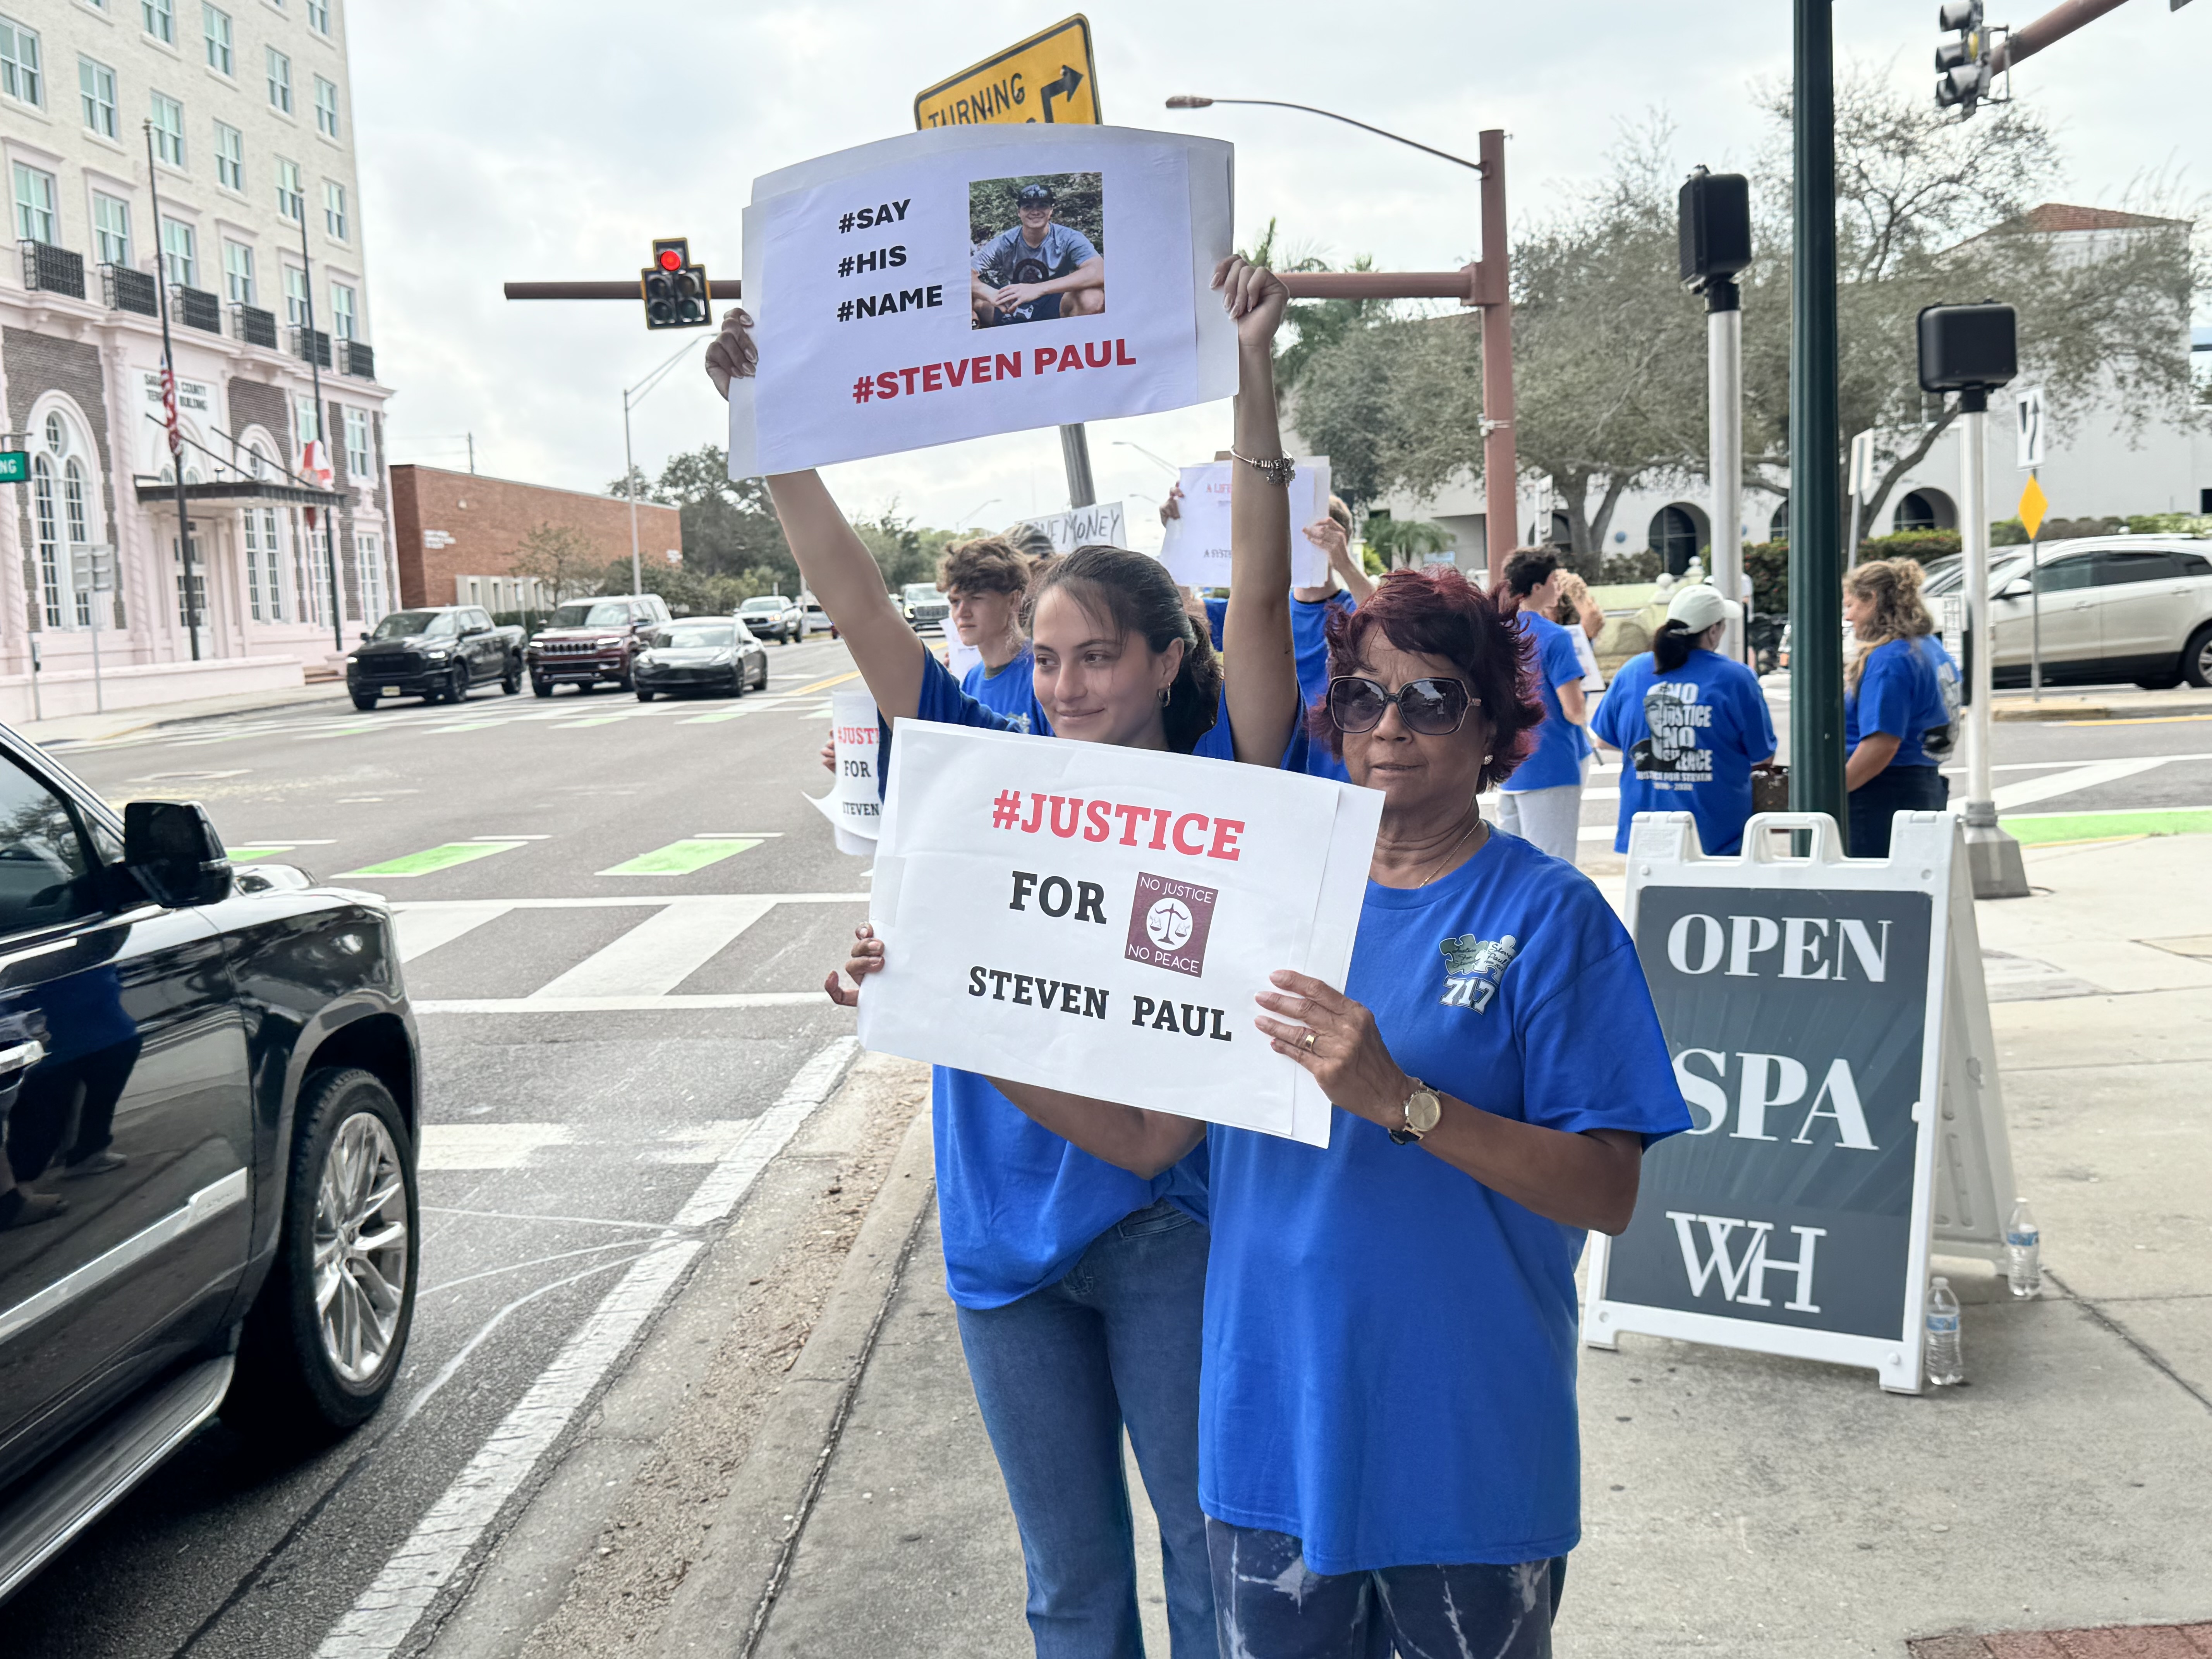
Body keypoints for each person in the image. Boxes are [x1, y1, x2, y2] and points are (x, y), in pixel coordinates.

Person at [835, 566, 1690, 1659]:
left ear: (1496, 726)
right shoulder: (1270, 900)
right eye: (1365, 697)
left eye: (1433, 699)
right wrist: (944, 999)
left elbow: (1607, 1191)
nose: (1391, 727)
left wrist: (1406, 1103)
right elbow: (1145, 1138)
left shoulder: (1550, 914)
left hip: (1461, 1439)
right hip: (1270, 1438)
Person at [716, 256, 1302, 1659]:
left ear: (1165, 660)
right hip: (998, 1236)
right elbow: (858, 605)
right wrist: (769, 425)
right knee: (1068, 1587)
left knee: (1207, 1560)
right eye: (1044, 658)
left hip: (1168, 1225)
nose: (1064, 684)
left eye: (1095, 656)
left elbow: (1264, 597)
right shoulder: (982, 769)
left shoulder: (1228, 780)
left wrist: (1253, 374)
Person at [1590, 582, 1777, 856]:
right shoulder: (1736, 678)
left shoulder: (1633, 671)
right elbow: (1763, 755)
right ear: (1713, 631)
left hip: (1647, 840)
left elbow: (1604, 740)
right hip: (1719, 842)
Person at [1843, 557, 1951, 857]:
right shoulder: (1929, 647)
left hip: (1881, 794)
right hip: (1922, 784)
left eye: (1851, 605)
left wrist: (1834, 794)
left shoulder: (1890, 659)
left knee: (1872, 884)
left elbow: (1882, 744)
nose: (1849, 617)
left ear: (1872, 599)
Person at [1492, 551, 1591, 862]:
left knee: (1514, 869)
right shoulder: (1555, 638)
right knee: (1554, 867)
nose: (1558, 587)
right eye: (1553, 581)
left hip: (1508, 765)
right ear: (1537, 587)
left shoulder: (1496, 635)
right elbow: (1574, 710)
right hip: (1551, 763)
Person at [940, 536, 1045, 732]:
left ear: (1014, 600)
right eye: (955, 602)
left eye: (976, 598)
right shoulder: (971, 680)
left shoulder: (1043, 671)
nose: (962, 612)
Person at [972, 181, 1104, 328]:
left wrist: (1038, 289)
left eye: (1043, 205)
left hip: (1056, 300)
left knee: (1092, 298)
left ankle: (1070, 336)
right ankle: (982, 337)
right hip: (1012, 302)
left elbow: (1100, 271)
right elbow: (962, 274)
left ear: (1051, 210)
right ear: (1019, 212)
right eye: (1028, 207)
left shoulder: (1068, 238)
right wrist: (990, 293)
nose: (1035, 212)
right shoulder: (1005, 242)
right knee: (966, 299)